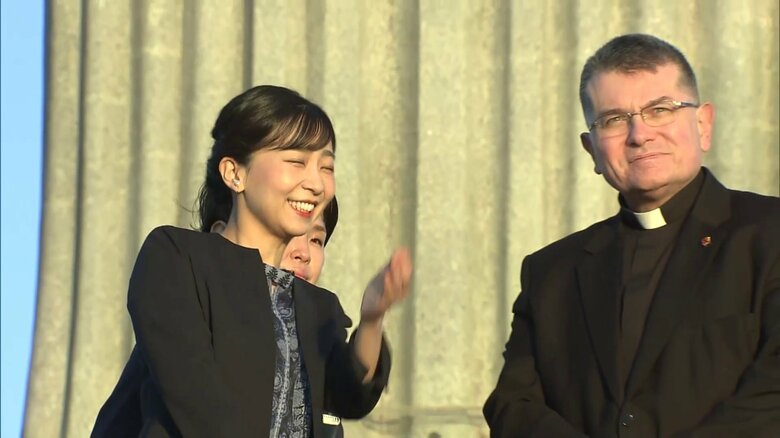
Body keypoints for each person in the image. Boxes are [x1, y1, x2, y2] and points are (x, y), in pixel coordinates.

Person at [483, 34, 780, 437]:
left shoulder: (768, 235)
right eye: (614, 120)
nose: (639, 134)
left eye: (660, 110)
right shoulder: (552, 273)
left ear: (703, 124)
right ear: (591, 150)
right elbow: (513, 406)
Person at [93, 85, 412, 437]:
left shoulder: (317, 306)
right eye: (297, 162)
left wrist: (372, 318)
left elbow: (351, 397)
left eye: (326, 166)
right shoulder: (177, 258)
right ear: (235, 173)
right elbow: (193, 397)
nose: (317, 184)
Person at [92, 198, 340, 437]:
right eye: (285, 235)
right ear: (220, 237)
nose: (303, 253)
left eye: (316, 240)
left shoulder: (312, 355)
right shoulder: (183, 337)